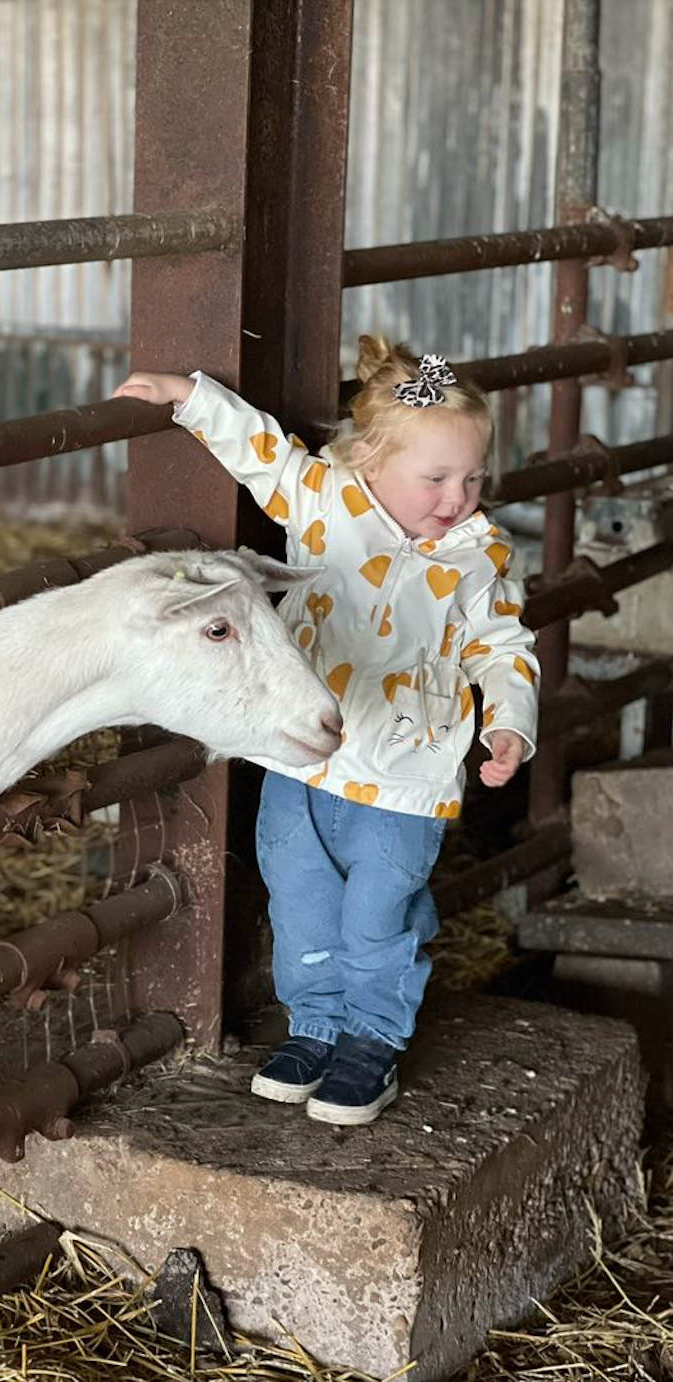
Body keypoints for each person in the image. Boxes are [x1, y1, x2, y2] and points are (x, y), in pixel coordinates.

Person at [113, 337, 540, 1126]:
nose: (459, 496)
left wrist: (510, 723)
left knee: (379, 916)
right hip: (303, 762)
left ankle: (371, 1045)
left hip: (408, 778)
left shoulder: (480, 558)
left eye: (474, 477)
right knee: (301, 900)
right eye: (437, 478)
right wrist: (187, 395)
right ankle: (314, 1026)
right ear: (371, 460)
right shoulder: (327, 500)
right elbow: (263, 455)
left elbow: (504, 649)